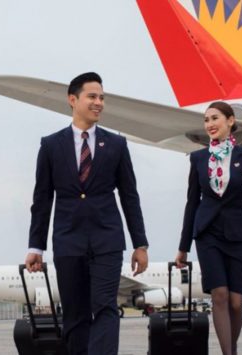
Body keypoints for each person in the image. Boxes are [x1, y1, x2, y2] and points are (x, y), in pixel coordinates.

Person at [25, 72, 149, 355]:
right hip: (68, 241)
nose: (99, 103)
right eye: (92, 97)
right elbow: (42, 199)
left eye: (101, 98)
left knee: (105, 307)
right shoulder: (51, 145)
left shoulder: (116, 144)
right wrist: (36, 246)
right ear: (73, 100)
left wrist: (140, 243)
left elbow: (130, 196)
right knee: (75, 313)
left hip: (107, 239)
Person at [175, 101, 242, 355]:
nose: (210, 124)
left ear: (230, 121)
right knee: (219, 295)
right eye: (206, 120)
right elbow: (192, 203)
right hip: (207, 233)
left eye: (215, 118)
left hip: (238, 234)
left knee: (235, 302)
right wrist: (183, 247)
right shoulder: (198, 159)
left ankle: (230, 348)